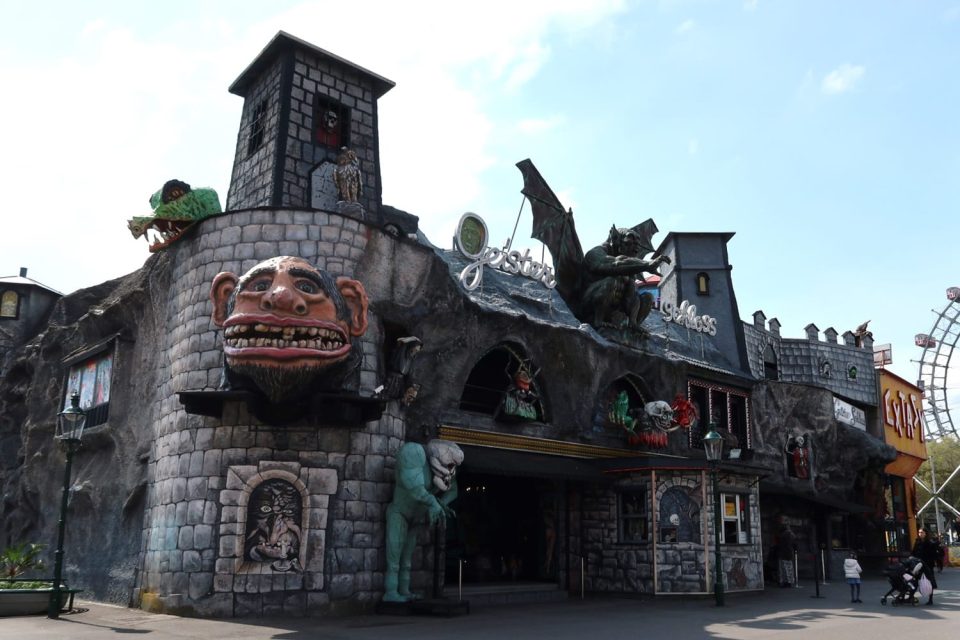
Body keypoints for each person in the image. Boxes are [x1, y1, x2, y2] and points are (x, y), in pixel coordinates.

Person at [911, 529, 938, 605]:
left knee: (929, 582)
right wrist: (912, 558)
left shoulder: (930, 543)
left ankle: (930, 599)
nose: (920, 534)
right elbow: (913, 552)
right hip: (918, 565)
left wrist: (928, 563)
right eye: (919, 532)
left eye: (922, 532)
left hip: (927, 565)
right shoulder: (917, 542)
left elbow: (933, 555)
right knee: (914, 581)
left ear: (926, 533)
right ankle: (911, 596)